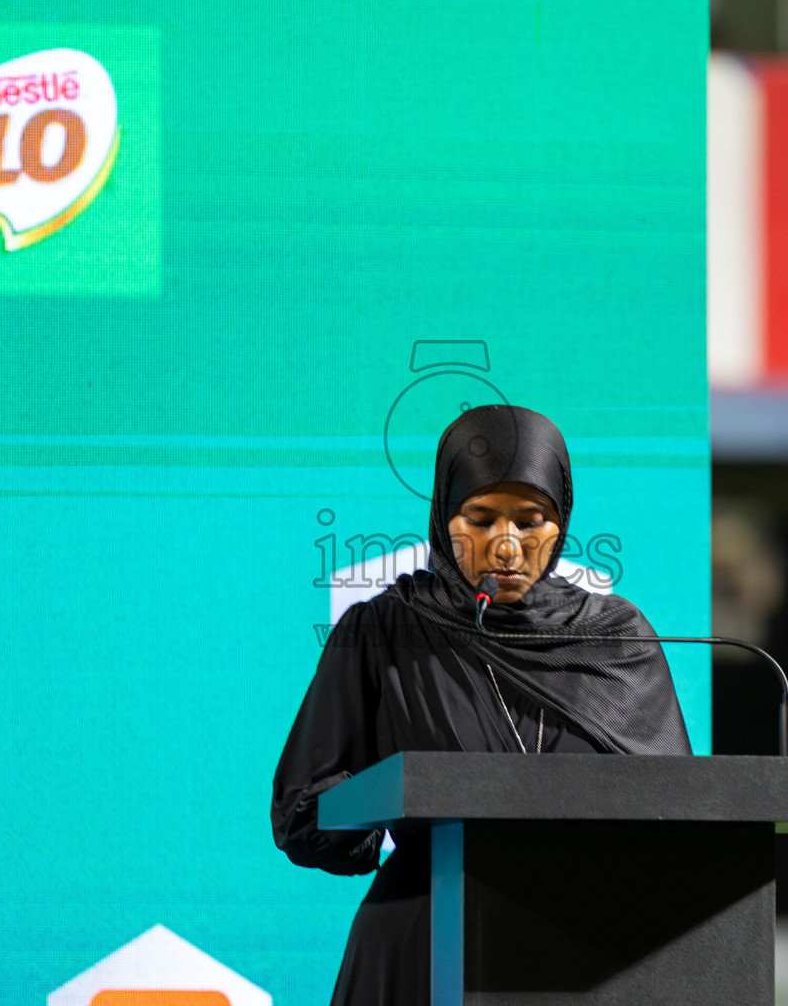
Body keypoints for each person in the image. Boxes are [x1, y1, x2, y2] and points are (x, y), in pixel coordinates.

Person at [271, 404, 691, 1005]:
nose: (506, 545)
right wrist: (391, 797)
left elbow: (678, 816)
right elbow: (301, 813)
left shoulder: (616, 640)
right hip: (422, 948)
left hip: (588, 955)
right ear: (445, 518)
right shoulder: (386, 632)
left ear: (561, 521)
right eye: (481, 517)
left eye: (531, 520)